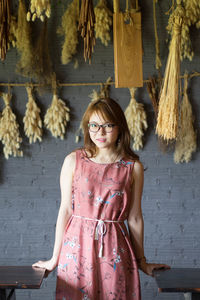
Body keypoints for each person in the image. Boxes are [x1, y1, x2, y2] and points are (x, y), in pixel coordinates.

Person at [33, 97, 170, 299]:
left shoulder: (133, 167)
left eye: (107, 125)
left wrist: (142, 262)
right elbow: (66, 210)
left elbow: (134, 218)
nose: (100, 132)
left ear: (119, 127)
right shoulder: (73, 161)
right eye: (94, 126)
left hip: (115, 248)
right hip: (76, 246)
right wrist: (54, 258)